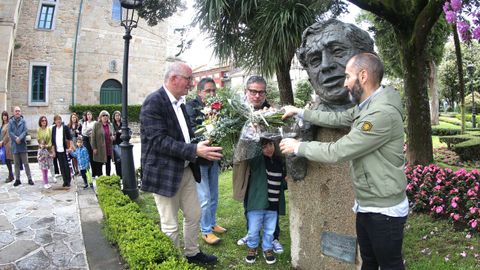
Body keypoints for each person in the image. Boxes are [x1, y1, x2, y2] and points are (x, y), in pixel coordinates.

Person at [280, 53, 408, 270]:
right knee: (369, 261)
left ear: (363, 76)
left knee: (390, 265)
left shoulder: (380, 114)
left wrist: (298, 147)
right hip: (368, 202)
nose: (345, 83)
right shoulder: (368, 104)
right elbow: (339, 118)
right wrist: (300, 112)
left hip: (384, 210)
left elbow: (338, 151)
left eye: (348, 76)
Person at [140, 61, 222, 265]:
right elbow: (159, 141)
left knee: (194, 214)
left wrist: (201, 145)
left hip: (186, 170)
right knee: (170, 225)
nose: (191, 83)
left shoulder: (180, 102)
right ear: (174, 78)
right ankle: (173, 261)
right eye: (188, 79)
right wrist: (194, 150)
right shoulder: (153, 102)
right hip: (164, 173)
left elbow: (186, 136)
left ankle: (192, 253)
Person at [233, 76, 284, 254]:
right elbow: (234, 141)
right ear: (246, 91)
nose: (257, 95)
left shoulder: (273, 111)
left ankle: (274, 237)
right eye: (253, 91)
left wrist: (270, 146)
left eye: (261, 92)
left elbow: (280, 137)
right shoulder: (238, 113)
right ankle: (252, 233)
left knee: (273, 201)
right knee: (250, 201)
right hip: (248, 167)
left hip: (270, 164)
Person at [297, 19, 375, 112]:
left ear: (372, 59)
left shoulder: (388, 108)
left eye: (337, 51)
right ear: (310, 80)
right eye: (315, 60)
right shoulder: (305, 124)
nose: (325, 65)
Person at [186, 77, 226, 245]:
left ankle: (212, 222)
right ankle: (205, 230)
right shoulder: (191, 107)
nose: (212, 94)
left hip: (213, 157)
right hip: (200, 159)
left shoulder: (217, 107)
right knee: (204, 197)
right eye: (208, 90)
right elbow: (192, 131)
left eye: (214, 91)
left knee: (214, 194)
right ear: (199, 91)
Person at [244, 138, 286, 265]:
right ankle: (252, 247)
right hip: (257, 205)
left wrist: (286, 181)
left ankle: (267, 248)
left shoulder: (279, 161)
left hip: (273, 206)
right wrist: (254, 134)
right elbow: (252, 151)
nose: (269, 148)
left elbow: (281, 183)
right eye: (264, 147)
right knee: (253, 230)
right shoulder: (258, 162)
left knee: (270, 230)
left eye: (271, 144)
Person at [9, 106, 33, 186]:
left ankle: (29, 178)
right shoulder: (10, 122)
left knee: (26, 163)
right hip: (15, 145)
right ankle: (17, 179)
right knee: (16, 164)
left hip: (22, 145)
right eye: (16, 111)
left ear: (20, 112)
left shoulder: (23, 121)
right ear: (13, 112)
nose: (17, 112)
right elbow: (10, 132)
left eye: (19, 111)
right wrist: (16, 138)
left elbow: (25, 131)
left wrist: (20, 138)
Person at [51, 114, 73, 187]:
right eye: (57, 120)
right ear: (55, 121)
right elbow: (53, 141)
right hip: (58, 150)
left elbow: (70, 138)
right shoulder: (54, 129)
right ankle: (64, 181)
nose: (58, 121)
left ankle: (68, 180)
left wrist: (70, 147)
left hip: (65, 149)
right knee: (61, 166)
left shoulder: (65, 127)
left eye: (59, 119)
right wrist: (53, 151)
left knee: (66, 165)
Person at [91, 110, 114, 177]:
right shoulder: (96, 125)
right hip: (99, 148)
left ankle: (108, 178)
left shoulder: (110, 125)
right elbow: (93, 137)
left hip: (108, 148)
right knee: (99, 164)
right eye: (103, 115)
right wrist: (94, 148)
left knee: (108, 164)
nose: (105, 117)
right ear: (100, 117)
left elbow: (113, 134)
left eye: (106, 115)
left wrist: (113, 137)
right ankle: (100, 179)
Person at [37, 115, 57, 184]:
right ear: (40, 122)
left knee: (51, 164)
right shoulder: (38, 130)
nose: (44, 122)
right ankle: (45, 177)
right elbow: (38, 139)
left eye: (45, 120)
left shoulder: (49, 129)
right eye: (42, 120)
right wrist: (41, 145)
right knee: (44, 164)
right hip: (42, 150)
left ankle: (53, 176)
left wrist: (48, 146)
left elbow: (51, 138)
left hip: (49, 148)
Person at [0, 111, 14, 183]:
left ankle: (11, 176)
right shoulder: (2, 125)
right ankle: (11, 175)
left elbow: (8, 135)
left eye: (5, 115)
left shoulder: (8, 124)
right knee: (6, 160)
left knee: (8, 160)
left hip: (8, 144)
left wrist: (2, 141)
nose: (4, 117)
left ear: (7, 116)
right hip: (3, 145)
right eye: (3, 115)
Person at [111, 110, 122, 177]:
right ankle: (119, 175)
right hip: (115, 144)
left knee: (123, 160)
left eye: (118, 115)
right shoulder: (112, 124)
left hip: (122, 143)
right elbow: (113, 133)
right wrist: (118, 132)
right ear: (114, 117)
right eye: (116, 116)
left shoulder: (123, 123)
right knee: (117, 160)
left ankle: (123, 175)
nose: (117, 117)